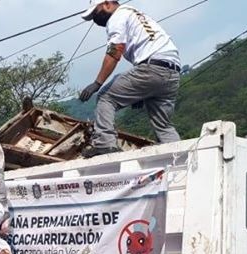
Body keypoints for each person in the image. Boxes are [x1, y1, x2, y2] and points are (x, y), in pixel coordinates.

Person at [78, 0, 182, 156]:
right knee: (164, 126)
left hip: (151, 68)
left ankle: (105, 144)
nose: (95, 19)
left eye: (96, 13)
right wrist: (142, 93)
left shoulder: (117, 17)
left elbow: (115, 51)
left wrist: (97, 83)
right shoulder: (136, 14)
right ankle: (181, 157)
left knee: (106, 98)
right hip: (172, 73)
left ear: (107, 4)